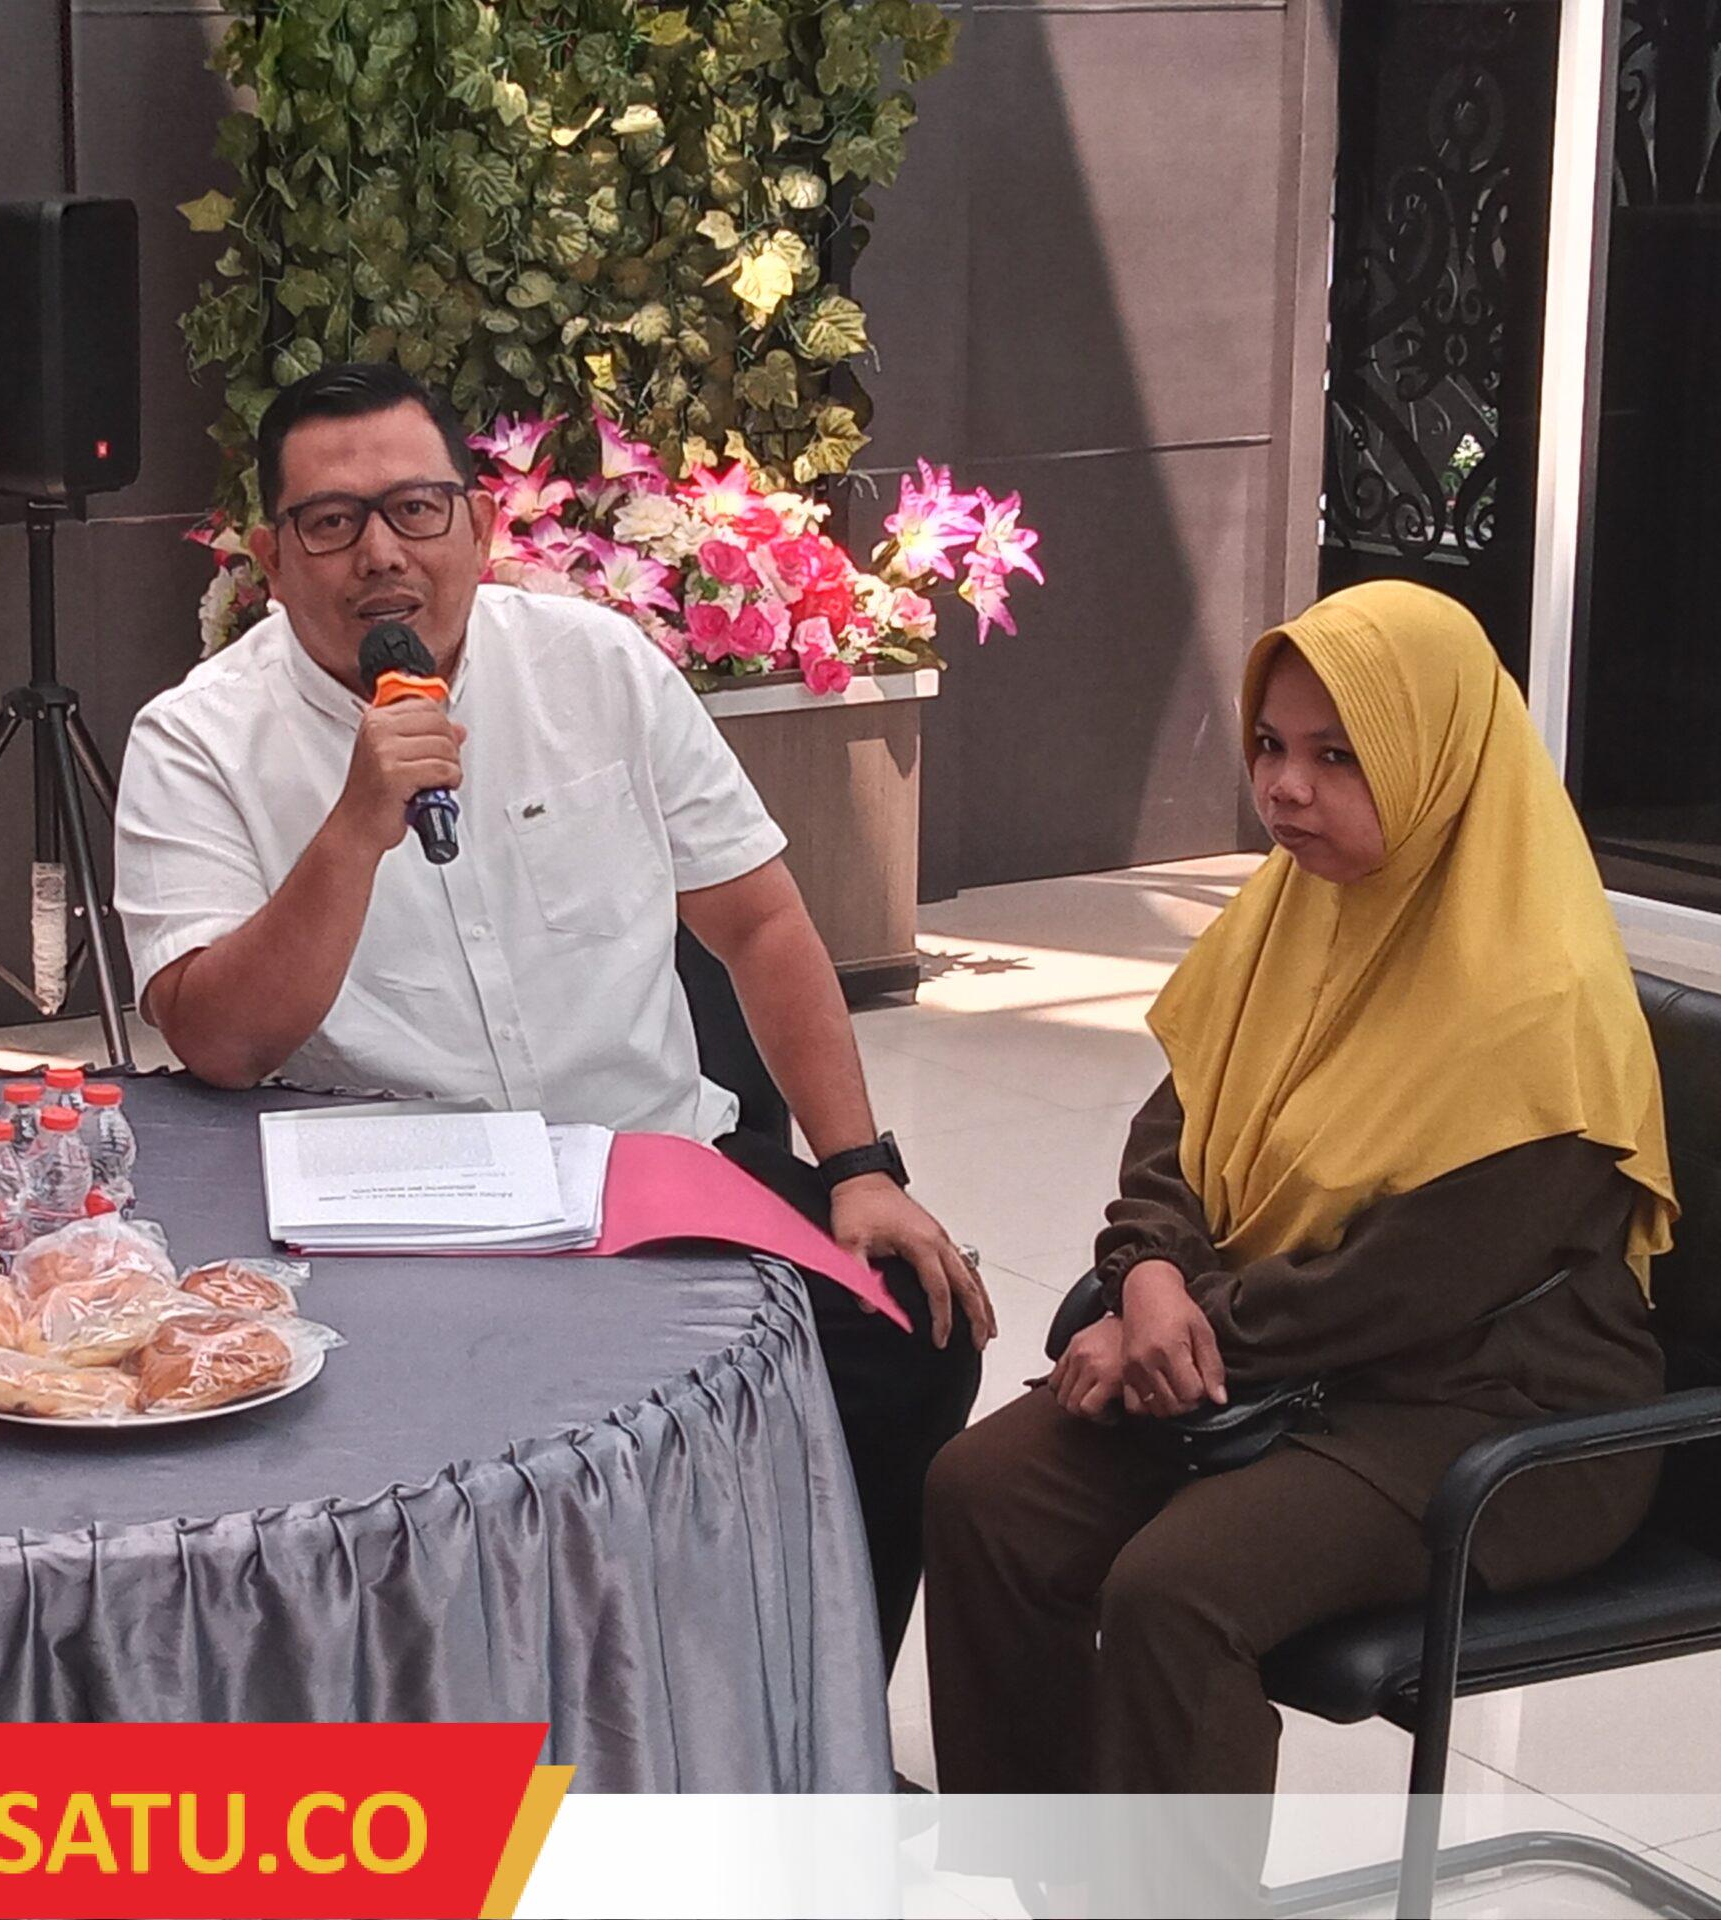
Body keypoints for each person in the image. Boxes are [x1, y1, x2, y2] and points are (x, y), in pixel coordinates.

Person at [112, 362, 992, 1670]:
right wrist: (354, 829)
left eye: (415, 509)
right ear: (273, 558)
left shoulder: (597, 664)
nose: (381, 555)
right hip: (388, 1225)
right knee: (431, 1475)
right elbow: (219, 1044)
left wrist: (859, 1166)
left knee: (908, 1335)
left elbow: (760, 925)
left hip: (649, 1170)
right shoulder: (195, 739)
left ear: (477, 524)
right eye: (331, 522)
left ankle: (807, 1719)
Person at [922, 581, 1676, 1905]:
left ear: (1438, 761)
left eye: (1339, 756)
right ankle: (1055, 1887)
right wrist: (1148, 1274)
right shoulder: (1292, 911)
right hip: (1275, 1363)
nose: (1284, 787)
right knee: (985, 1494)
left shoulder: (1539, 1002)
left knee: (1179, 1591)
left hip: (1487, 1413)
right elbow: (1174, 1131)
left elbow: (1414, 1285)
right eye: (1271, 744)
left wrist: (1173, 1330)